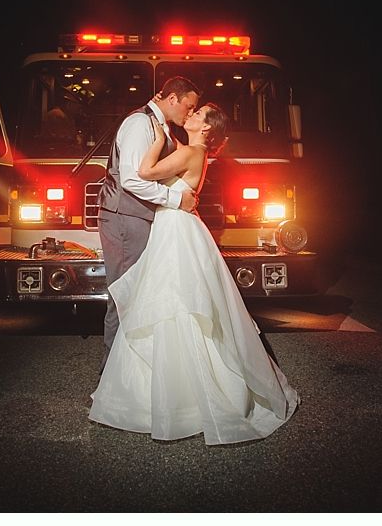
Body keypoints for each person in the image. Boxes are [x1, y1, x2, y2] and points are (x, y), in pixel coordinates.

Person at [88, 103, 299, 444]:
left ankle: (182, 397)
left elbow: (143, 172)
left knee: (176, 300)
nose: (191, 116)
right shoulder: (195, 152)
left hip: (175, 229)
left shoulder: (190, 152)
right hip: (179, 227)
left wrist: (156, 141)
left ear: (207, 130)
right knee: (181, 300)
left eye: (198, 114)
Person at [96, 76, 201, 369]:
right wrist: (176, 199)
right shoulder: (139, 124)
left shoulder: (162, 128)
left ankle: (133, 374)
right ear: (172, 100)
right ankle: (111, 379)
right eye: (189, 106)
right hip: (125, 218)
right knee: (125, 294)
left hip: (138, 218)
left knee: (140, 293)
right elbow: (131, 179)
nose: (190, 113)